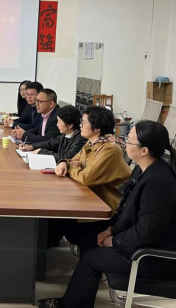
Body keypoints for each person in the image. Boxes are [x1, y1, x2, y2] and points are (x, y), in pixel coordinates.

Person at [38, 121, 176, 308]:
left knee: (91, 257)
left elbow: (145, 233)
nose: (124, 143)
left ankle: (69, 305)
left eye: (129, 141)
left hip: (156, 258)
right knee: (89, 239)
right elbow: (129, 211)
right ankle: (78, 303)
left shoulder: (156, 184)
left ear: (144, 151)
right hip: (147, 245)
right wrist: (110, 230)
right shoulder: (145, 169)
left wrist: (114, 241)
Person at [51, 106, 131, 250]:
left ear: (96, 129)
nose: (80, 125)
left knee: (57, 221)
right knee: (55, 219)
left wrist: (72, 167)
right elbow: (73, 160)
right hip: (91, 198)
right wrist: (63, 162)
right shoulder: (91, 143)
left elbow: (86, 178)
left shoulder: (109, 149)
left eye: (84, 123)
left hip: (106, 208)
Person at [19, 105, 86, 161]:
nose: (57, 125)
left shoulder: (81, 139)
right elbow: (50, 143)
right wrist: (32, 146)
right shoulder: (65, 135)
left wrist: (41, 152)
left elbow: (66, 157)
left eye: (59, 122)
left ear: (70, 125)